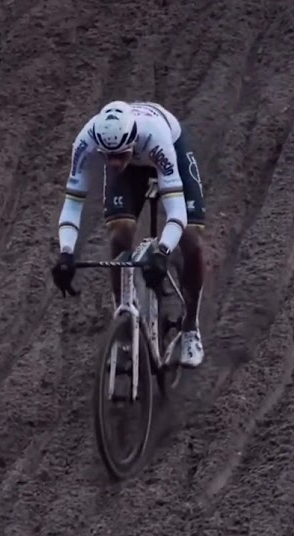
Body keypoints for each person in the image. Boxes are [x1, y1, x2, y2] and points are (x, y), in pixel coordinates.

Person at [50, 100, 208, 368]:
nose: (113, 163)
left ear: (132, 141)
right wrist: (66, 252)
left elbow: (177, 212)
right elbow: (73, 203)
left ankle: (190, 328)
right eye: (107, 156)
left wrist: (163, 252)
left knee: (190, 236)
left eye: (119, 155)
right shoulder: (86, 142)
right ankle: (124, 318)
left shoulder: (155, 136)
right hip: (133, 162)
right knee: (120, 232)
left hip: (167, 146)